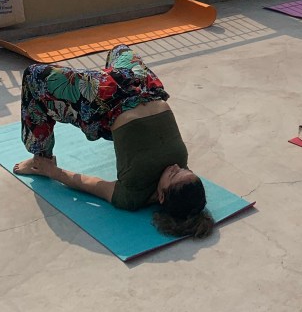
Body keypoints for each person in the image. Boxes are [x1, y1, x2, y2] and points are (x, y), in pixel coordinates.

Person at [13, 44, 214, 239]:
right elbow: (179, 184)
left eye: (174, 174)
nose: (176, 166)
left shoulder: (131, 196)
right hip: (144, 86)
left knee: (33, 76)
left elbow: (90, 184)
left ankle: (40, 157)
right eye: (185, 169)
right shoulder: (180, 169)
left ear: (161, 196)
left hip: (107, 99)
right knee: (120, 50)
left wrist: (51, 171)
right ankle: (109, 75)